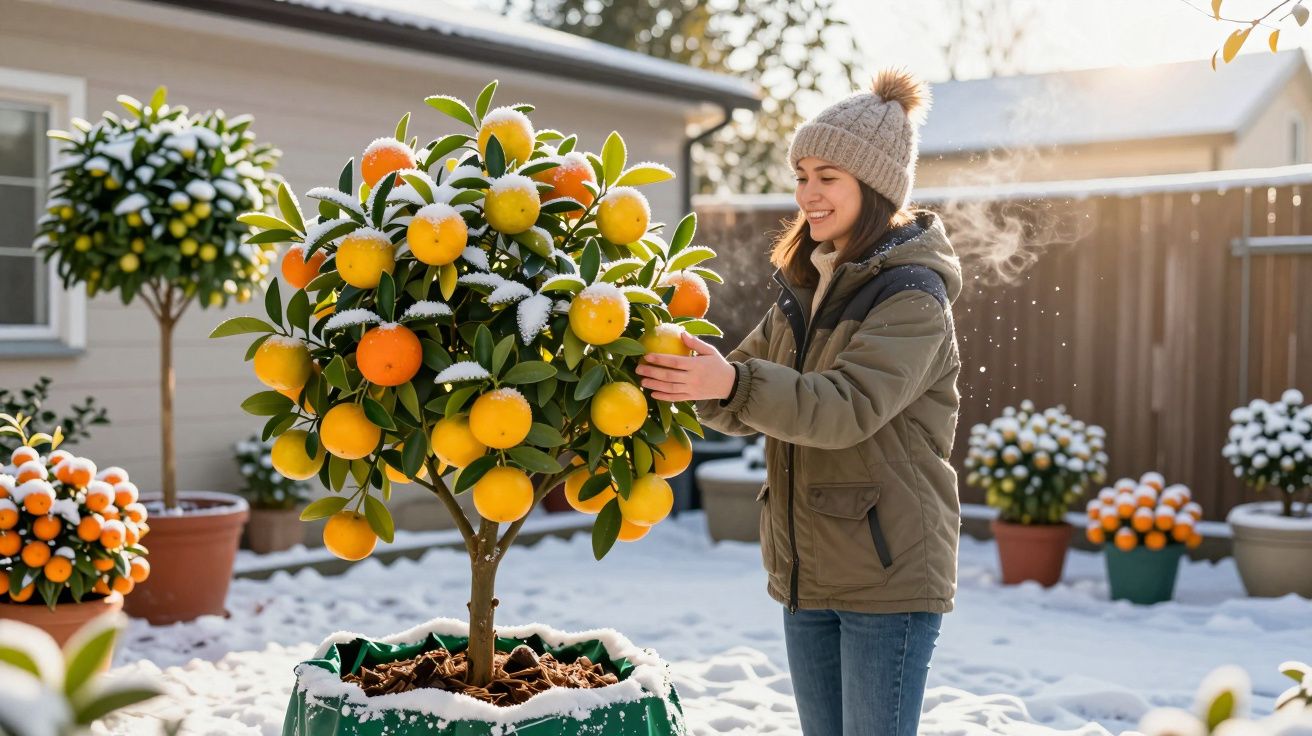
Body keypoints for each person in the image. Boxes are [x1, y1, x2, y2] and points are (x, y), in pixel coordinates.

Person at [634, 68, 962, 736]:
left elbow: (844, 407)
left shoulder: (911, 297)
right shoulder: (808, 285)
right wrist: (689, 378)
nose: (807, 194)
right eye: (801, 175)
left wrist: (731, 385)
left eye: (827, 177)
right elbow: (743, 383)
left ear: (873, 187)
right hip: (807, 570)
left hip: (887, 578)